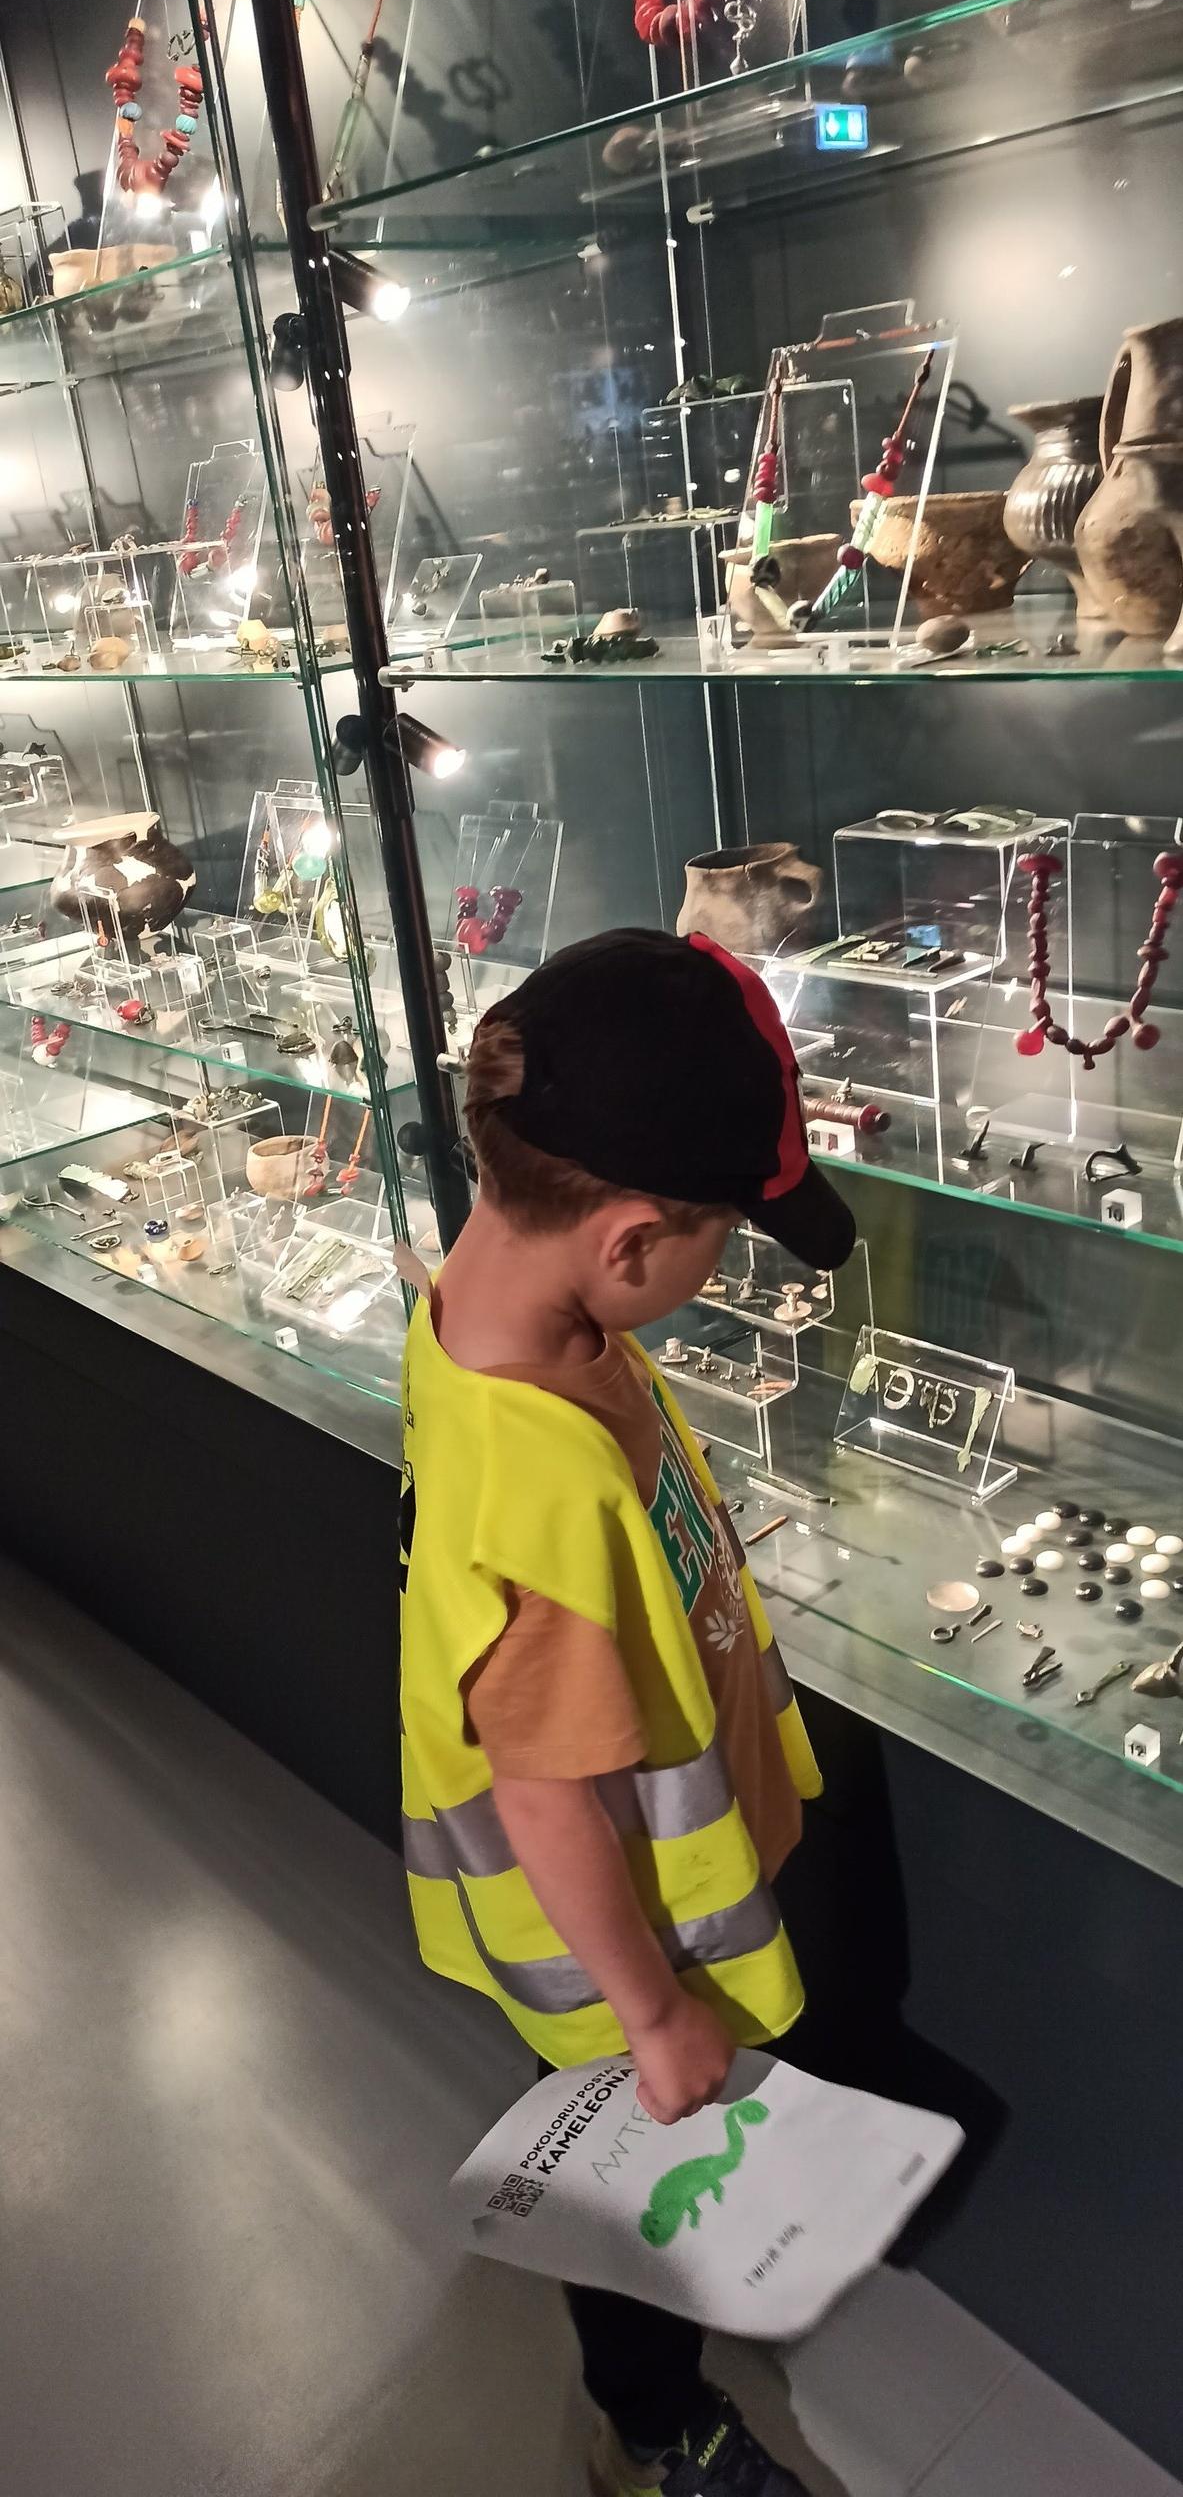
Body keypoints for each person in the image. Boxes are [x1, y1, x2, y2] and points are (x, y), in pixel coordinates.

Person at [399, 927, 857, 2496]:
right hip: (623, 1946)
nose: (725, 1268)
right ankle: (656, 2428)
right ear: (634, 1240)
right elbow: (543, 1793)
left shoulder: (510, 1305)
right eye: (725, 1238)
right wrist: (655, 2018)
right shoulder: (532, 1492)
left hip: (664, 1886)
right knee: (633, 2199)